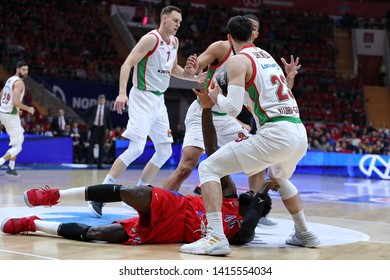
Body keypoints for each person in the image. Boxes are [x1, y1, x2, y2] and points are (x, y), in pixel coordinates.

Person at [1, 88, 273, 249]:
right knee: (131, 191)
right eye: (251, 195)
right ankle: (53, 196)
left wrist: (260, 202)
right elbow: (212, 152)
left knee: (99, 234)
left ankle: (33, 224)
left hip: (170, 233)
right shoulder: (228, 195)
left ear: (256, 209)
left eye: (253, 199)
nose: (248, 195)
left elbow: (248, 231)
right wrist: (205, 110)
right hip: (174, 207)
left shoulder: (239, 232)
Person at [180, 16, 320, 256]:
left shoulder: (237, 61)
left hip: (275, 133)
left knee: (209, 169)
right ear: (253, 35)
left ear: (229, 38)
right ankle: (305, 233)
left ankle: (215, 238)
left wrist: (214, 97)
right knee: (279, 178)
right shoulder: (267, 57)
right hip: (298, 131)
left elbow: (232, 109)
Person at [162, 14, 299, 228]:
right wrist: (192, 67)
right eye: (250, 28)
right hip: (203, 112)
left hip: (226, 116)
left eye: (255, 29)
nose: (252, 32)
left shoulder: (255, 59)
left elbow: (274, 96)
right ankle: (161, 208)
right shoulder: (221, 47)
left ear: (255, 35)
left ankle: (254, 210)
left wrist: (289, 78)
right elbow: (199, 66)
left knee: (258, 165)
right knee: (187, 166)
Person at [90, 5, 200, 216]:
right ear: (164, 19)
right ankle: (99, 194)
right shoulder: (151, 39)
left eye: (180, 21)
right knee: (137, 148)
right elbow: (127, 64)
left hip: (159, 101)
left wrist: (193, 76)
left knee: (165, 151)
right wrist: (122, 93)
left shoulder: (174, 42)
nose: (178, 24)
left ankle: (139, 192)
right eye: (176, 20)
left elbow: (174, 69)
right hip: (141, 96)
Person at [0, 61, 35, 177]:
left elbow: (1, 95)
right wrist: (28, 108)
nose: (26, 72)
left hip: (5, 112)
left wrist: (13, 109)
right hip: (9, 115)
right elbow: (16, 101)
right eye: (23, 70)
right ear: (17, 69)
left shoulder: (10, 80)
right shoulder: (19, 83)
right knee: (18, 145)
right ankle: (1, 161)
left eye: (27, 70)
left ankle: (11, 167)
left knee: (17, 141)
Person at [85, 94, 112, 169]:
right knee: (91, 146)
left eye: (103, 99)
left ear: (105, 101)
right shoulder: (94, 107)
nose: (101, 101)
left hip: (102, 129)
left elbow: (108, 120)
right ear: (98, 100)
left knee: (101, 147)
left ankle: (100, 164)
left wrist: (110, 130)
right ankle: (90, 162)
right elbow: (85, 114)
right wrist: (89, 123)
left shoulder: (106, 109)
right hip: (94, 128)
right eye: (100, 99)